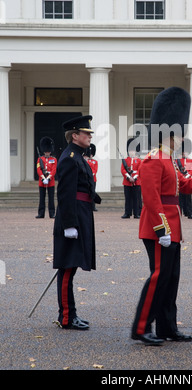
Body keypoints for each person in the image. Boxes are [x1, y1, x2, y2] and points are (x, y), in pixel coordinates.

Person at [131, 87, 192, 346]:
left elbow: (183, 186)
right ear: (170, 134)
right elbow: (151, 200)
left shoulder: (169, 159)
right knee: (158, 277)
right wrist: (162, 230)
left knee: (171, 279)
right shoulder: (152, 160)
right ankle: (141, 327)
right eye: (180, 135)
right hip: (158, 228)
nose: (182, 139)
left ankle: (166, 327)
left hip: (171, 228)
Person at [53, 115, 101, 330]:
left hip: (80, 214)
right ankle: (66, 317)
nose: (89, 136)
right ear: (74, 135)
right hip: (72, 218)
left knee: (71, 268)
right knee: (67, 268)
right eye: (86, 133)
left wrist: (94, 195)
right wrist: (69, 225)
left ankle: (70, 314)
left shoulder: (77, 156)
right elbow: (64, 194)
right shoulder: (70, 158)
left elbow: (80, 184)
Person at [36, 137, 57, 219]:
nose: (47, 153)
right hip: (42, 181)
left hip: (50, 181)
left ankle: (52, 213)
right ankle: (41, 214)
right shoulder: (40, 159)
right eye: (46, 151)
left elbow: (54, 170)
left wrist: (48, 178)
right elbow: (38, 169)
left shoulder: (54, 159)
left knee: (51, 198)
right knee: (42, 198)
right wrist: (42, 177)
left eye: (48, 151)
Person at [121, 138, 142, 219]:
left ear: (136, 151)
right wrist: (129, 177)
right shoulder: (125, 160)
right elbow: (123, 170)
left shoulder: (139, 161)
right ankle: (127, 213)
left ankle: (137, 213)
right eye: (130, 151)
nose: (131, 152)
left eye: (133, 150)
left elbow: (140, 170)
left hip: (136, 182)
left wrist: (134, 177)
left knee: (136, 198)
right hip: (127, 182)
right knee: (128, 198)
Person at [176, 138, 192, 219]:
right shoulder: (177, 160)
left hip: (187, 181)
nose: (185, 153)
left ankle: (189, 213)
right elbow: (176, 169)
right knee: (179, 199)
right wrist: (181, 177)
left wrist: (186, 176)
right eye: (184, 152)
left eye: (186, 152)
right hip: (180, 181)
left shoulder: (191, 161)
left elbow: (191, 171)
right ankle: (179, 213)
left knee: (188, 199)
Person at [85, 143, 99, 212]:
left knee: (92, 192)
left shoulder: (95, 162)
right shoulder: (86, 161)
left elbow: (95, 170)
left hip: (93, 179)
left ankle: (93, 206)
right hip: (86, 179)